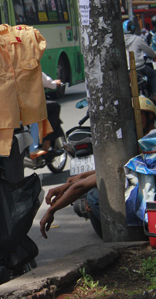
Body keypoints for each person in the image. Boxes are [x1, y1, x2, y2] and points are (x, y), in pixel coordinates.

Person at [40, 96, 156, 240]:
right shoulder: (142, 141)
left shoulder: (149, 145)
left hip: (148, 205)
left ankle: (123, 238)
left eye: (136, 115)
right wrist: (72, 182)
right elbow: (112, 171)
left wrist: (52, 210)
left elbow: (90, 183)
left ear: (150, 116)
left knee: (94, 195)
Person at [29, 72, 64, 159]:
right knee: (55, 107)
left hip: (11, 107)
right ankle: (47, 143)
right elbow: (47, 82)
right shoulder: (31, 65)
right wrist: (55, 84)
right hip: (30, 105)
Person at [124, 19, 156, 99]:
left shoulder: (120, 40)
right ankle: (155, 94)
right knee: (153, 74)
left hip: (127, 69)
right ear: (133, 28)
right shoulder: (138, 39)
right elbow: (149, 51)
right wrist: (153, 54)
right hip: (140, 67)